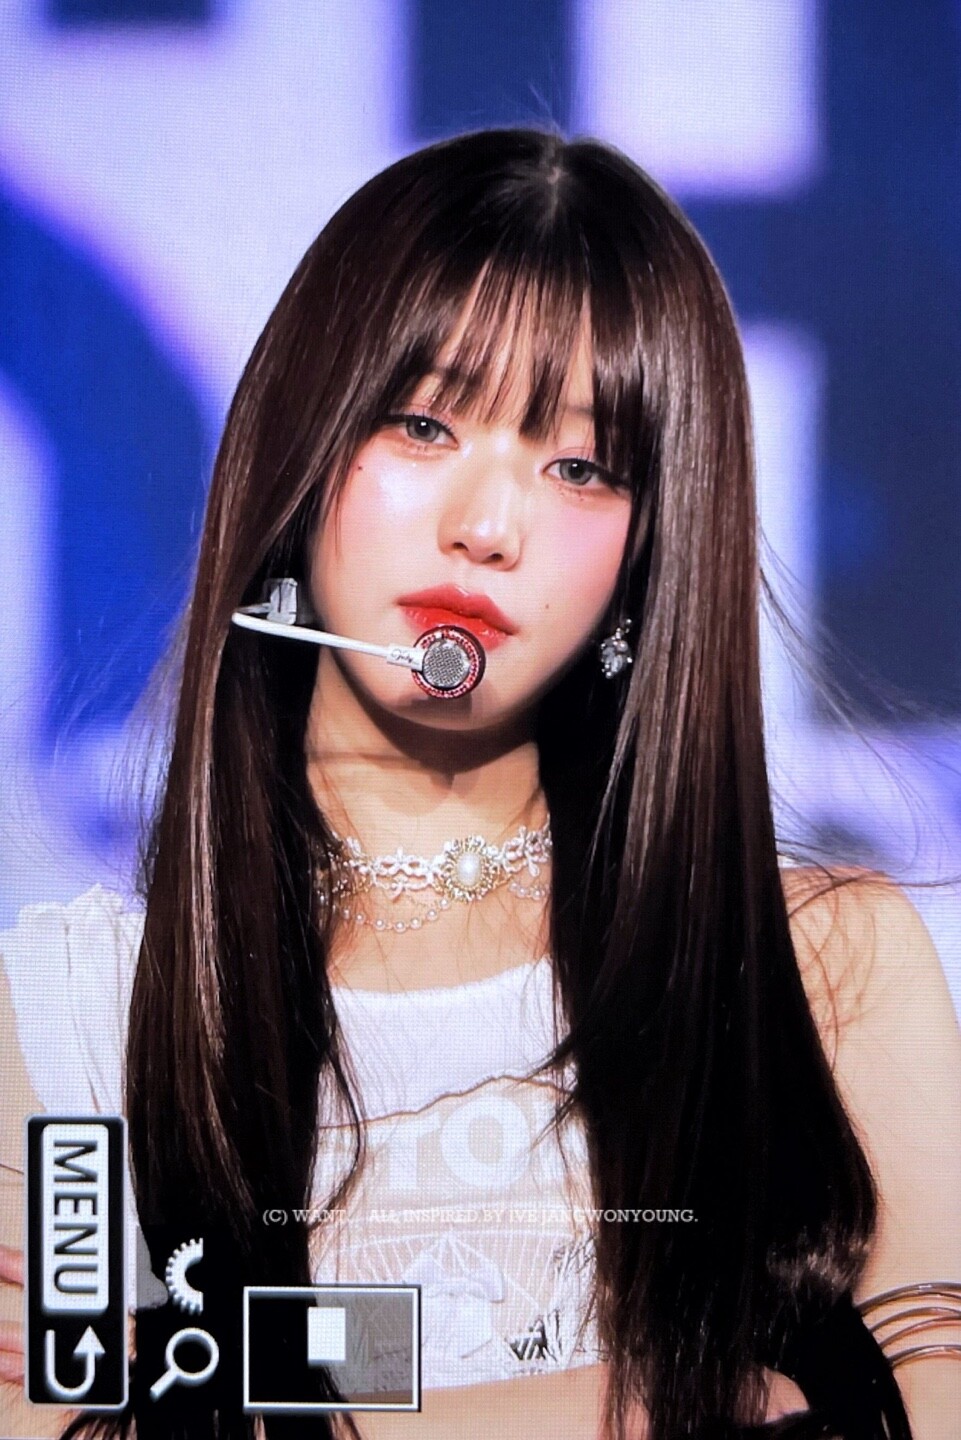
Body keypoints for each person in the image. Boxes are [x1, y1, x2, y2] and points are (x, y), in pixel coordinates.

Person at [1, 127, 959, 1440]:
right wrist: (701, 1397)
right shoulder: (73, 1014)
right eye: (423, 423)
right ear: (300, 451)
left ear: (649, 549)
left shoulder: (823, 971)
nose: (488, 527)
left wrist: (217, 1379)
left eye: (580, 466)